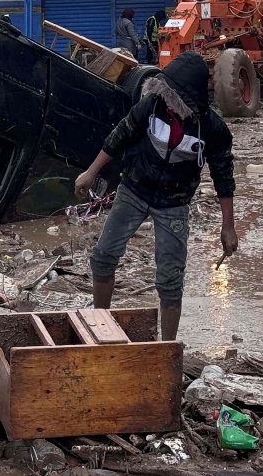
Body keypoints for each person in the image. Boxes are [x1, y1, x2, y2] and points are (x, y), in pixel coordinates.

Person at [73, 53, 237, 342]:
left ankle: (167, 346)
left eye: (174, 96)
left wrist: (228, 227)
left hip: (174, 203)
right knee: (103, 258)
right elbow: (120, 135)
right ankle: (100, 326)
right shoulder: (151, 105)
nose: (168, 100)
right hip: (135, 189)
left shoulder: (213, 130)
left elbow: (224, 178)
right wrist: (90, 172)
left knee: (170, 280)